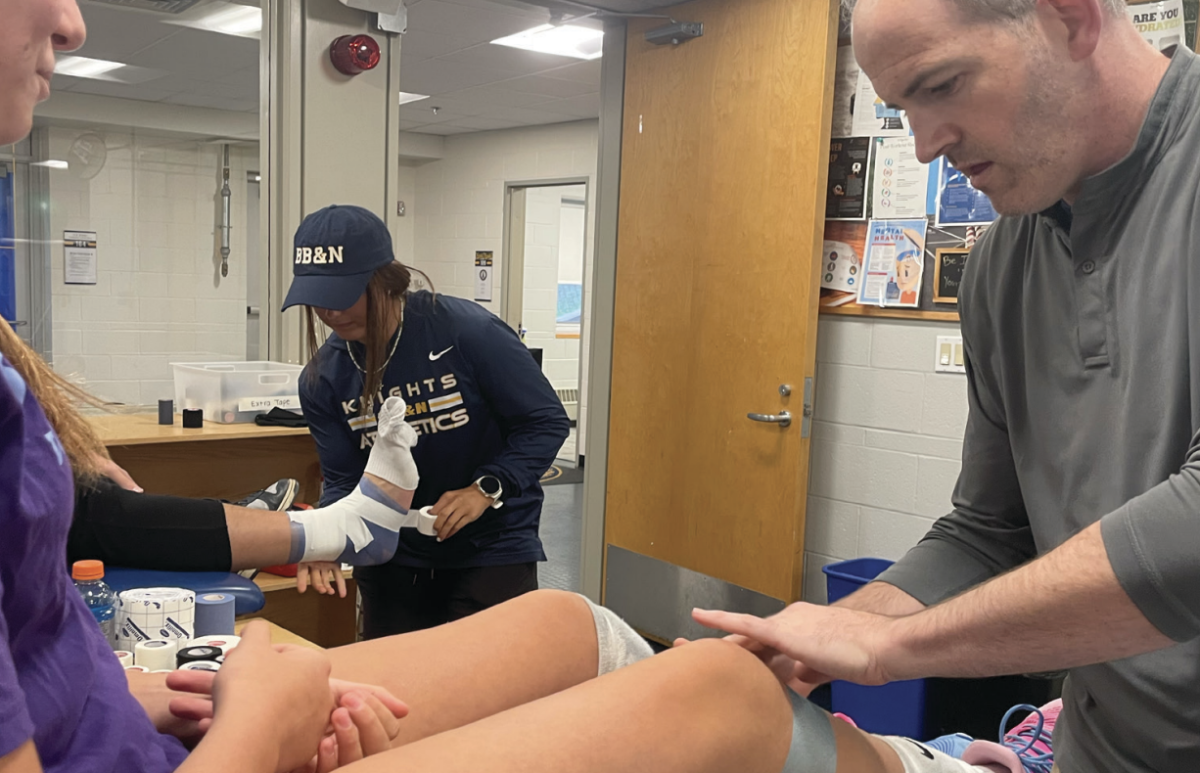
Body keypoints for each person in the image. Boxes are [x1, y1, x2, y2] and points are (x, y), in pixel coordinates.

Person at [691, 1, 1200, 772]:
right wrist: (828, 630)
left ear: (1071, 17)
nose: (927, 146)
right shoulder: (1000, 268)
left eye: (942, 85)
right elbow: (991, 529)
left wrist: (893, 644)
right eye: (902, 111)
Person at [285, 204, 571, 637]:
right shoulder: (323, 379)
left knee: (489, 689)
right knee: (399, 690)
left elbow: (545, 421)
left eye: (342, 296)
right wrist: (327, 536)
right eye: (317, 298)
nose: (330, 313)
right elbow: (345, 480)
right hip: (392, 557)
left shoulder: (467, 332)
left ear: (384, 280)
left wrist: (486, 488)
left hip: (491, 546)